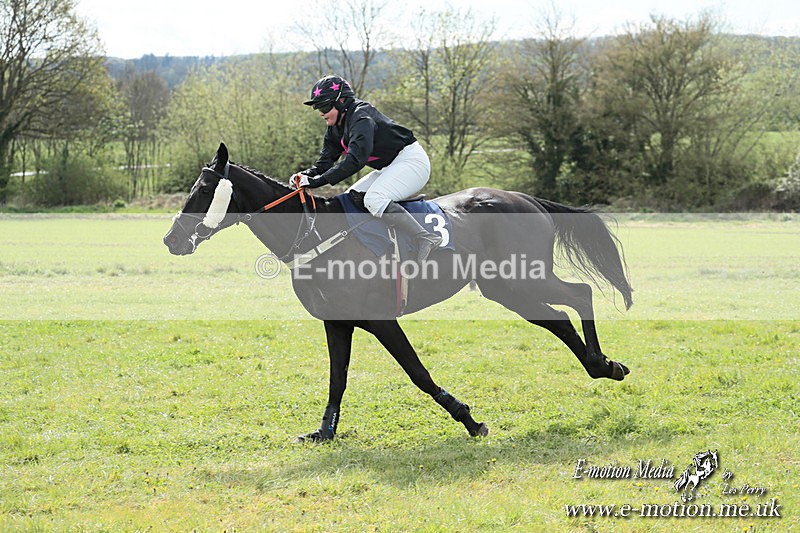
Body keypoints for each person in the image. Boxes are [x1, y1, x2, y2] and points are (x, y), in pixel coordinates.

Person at [290, 75, 442, 262]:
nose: (321, 113)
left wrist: (317, 182)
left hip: (412, 162)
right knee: (349, 197)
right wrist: (306, 175)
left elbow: (355, 161)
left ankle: (426, 237)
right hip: (390, 166)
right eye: (318, 108)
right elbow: (326, 160)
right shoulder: (336, 127)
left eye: (324, 107)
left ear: (342, 102)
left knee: (374, 199)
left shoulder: (361, 117)